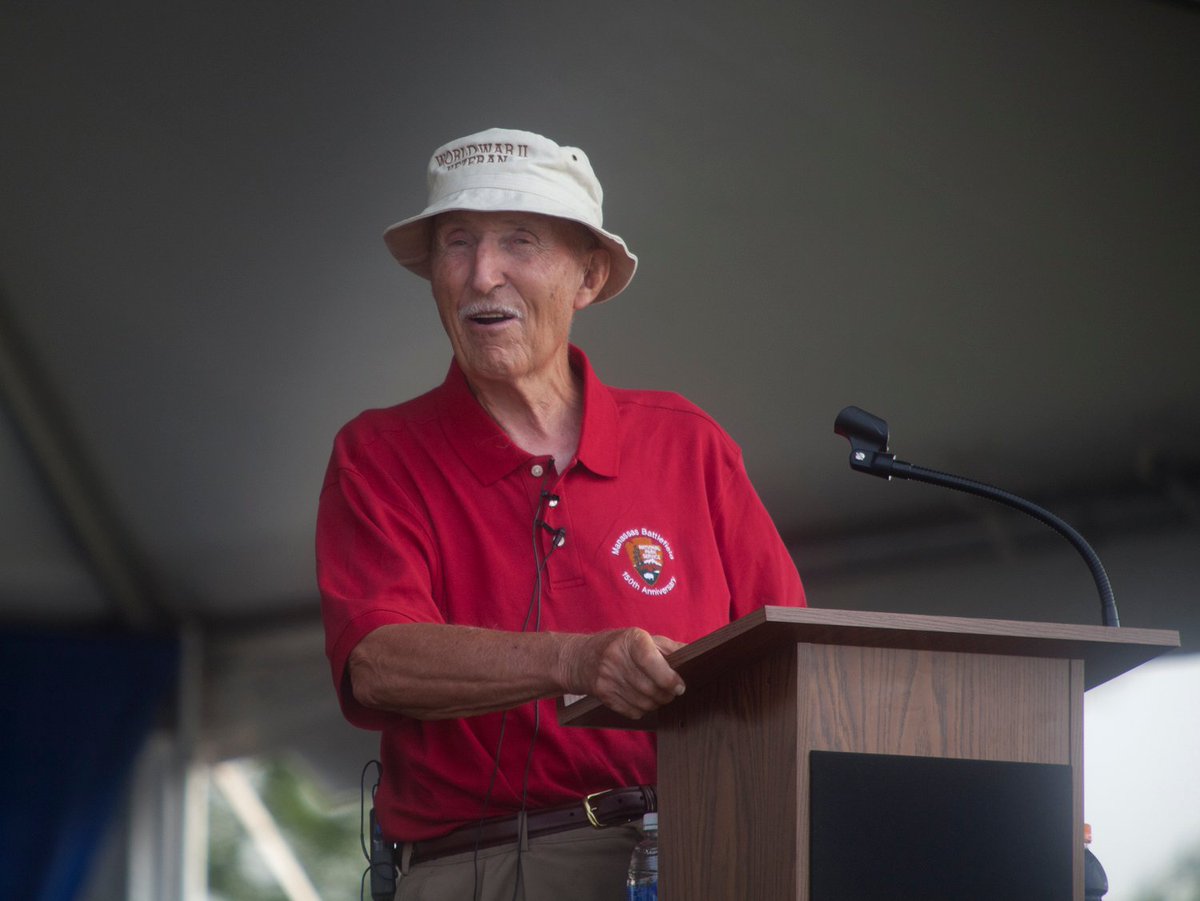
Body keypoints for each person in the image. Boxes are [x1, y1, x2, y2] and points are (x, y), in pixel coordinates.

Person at [316, 127, 805, 901]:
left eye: (519, 241)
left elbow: (793, 665)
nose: (483, 273)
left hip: (709, 850)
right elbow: (376, 662)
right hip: (488, 866)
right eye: (457, 242)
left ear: (589, 274)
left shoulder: (688, 442)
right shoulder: (379, 452)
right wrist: (577, 660)